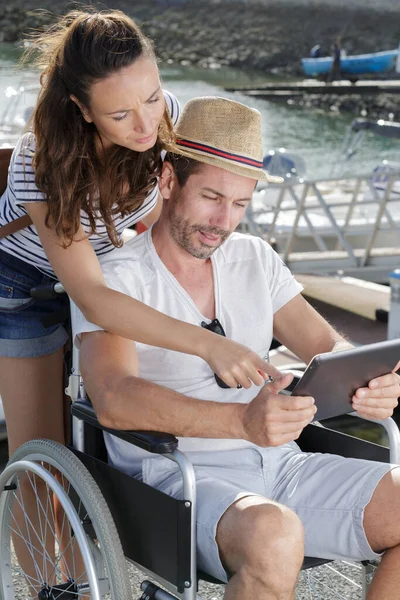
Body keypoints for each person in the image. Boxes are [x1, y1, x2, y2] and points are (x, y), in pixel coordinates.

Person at [74, 96, 400, 600]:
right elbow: (114, 399)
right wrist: (241, 423)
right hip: (178, 480)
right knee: (274, 534)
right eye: (211, 197)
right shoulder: (118, 279)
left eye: (241, 204)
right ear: (167, 181)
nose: (224, 221)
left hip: (284, 466)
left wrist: (370, 383)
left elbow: (323, 346)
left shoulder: (254, 258)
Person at [0, 9, 277, 465]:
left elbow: (160, 208)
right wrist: (209, 343)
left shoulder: (164, 113)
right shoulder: (40, 162)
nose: (147, 125)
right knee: (43, 453)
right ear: (82, 108)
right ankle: (36, 535)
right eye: (121, 114)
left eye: (150, 98)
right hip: (25, 288)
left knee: (107, 432)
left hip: (108, 269)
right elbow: (90, 296)